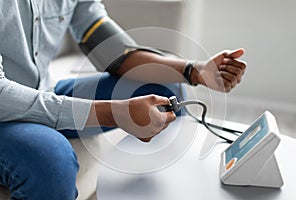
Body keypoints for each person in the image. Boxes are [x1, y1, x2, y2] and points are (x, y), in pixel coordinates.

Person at [0, 0, 246, 199]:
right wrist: (115, 112)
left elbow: (115, 52)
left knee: (165, 87)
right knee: (50, 162)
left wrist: (194, 71)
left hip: (41, 90)